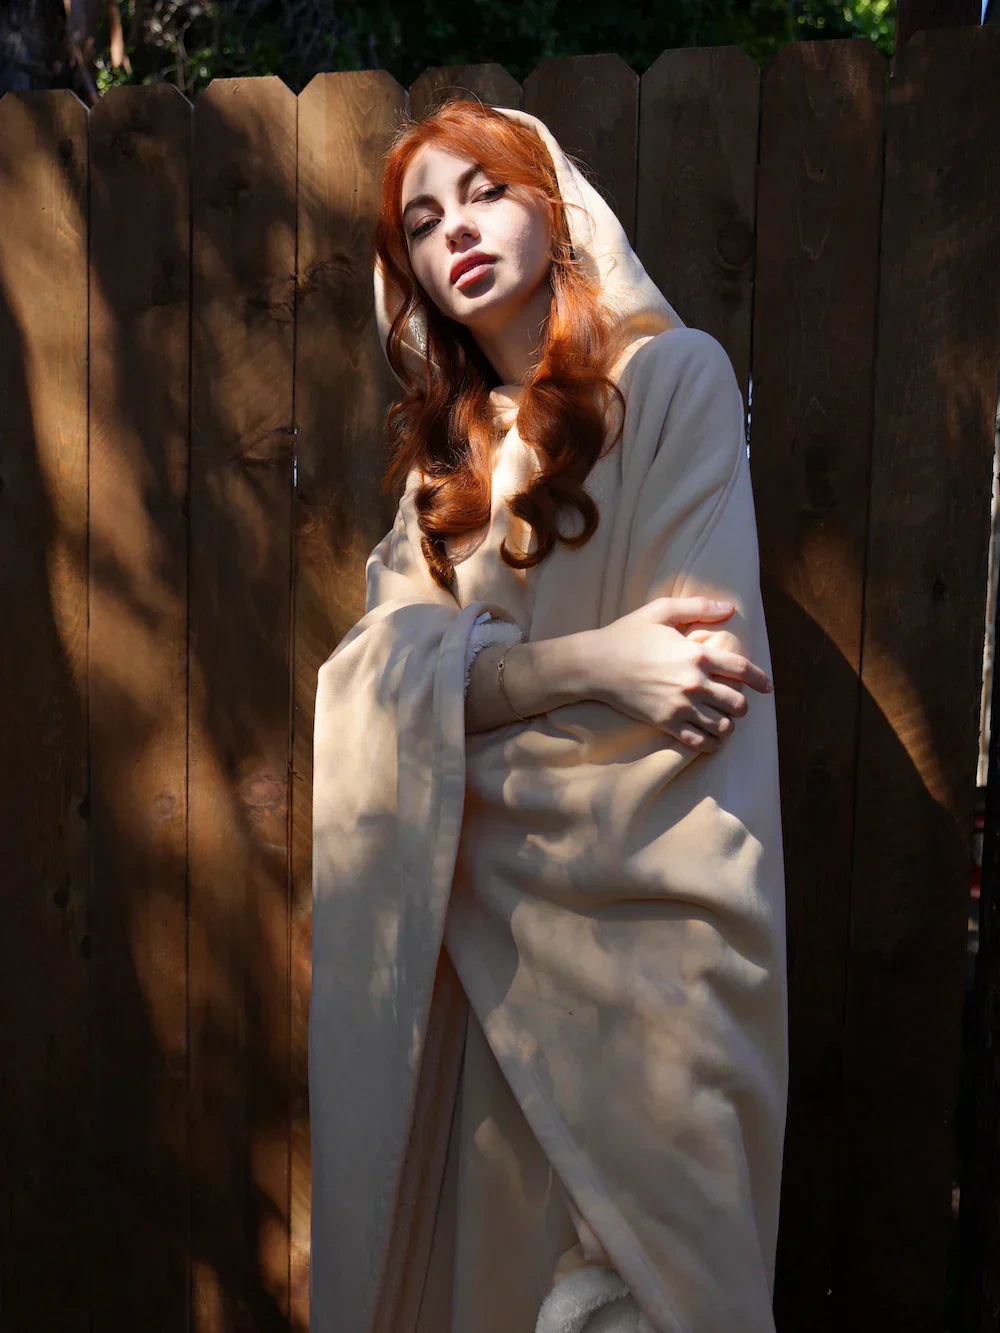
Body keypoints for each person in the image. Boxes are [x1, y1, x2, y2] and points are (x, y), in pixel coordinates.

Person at [309, 99, 789, 1333]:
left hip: (652, 951)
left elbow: (690, 691)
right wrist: (584, 666)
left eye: (483, 194)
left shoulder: (673, 384)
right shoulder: (443, 475)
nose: (454, 233)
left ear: (554, 205)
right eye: (422, 222)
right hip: (477, 977)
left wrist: (463, 735)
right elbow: (363, 695)